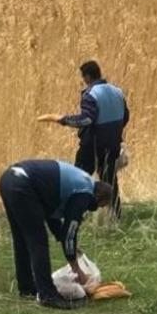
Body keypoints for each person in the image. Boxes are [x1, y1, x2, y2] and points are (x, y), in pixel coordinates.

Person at [0, 159, 114, 310]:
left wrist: (69, 244)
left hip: (9, 180)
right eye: (99, 206)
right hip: (23, 185)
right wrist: (76, 268)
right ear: (99, 197)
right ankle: (48, 295)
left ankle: (27, 288)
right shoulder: (85, 193)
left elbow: (52, 218)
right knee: (38, 240)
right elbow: (70, 230)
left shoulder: (80, 182)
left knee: (22, 239)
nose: (95, 209)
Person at [37, 60, 129, 216]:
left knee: (78, 179)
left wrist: (62, 119)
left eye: (83, 77)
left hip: (92, 147)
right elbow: (125, 116)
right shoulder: (117, 91)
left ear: (87, 76)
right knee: (109, 181)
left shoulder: (90, 94)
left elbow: (86, 120)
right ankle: (115, 215)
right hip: (112, 145)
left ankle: (71, 213)